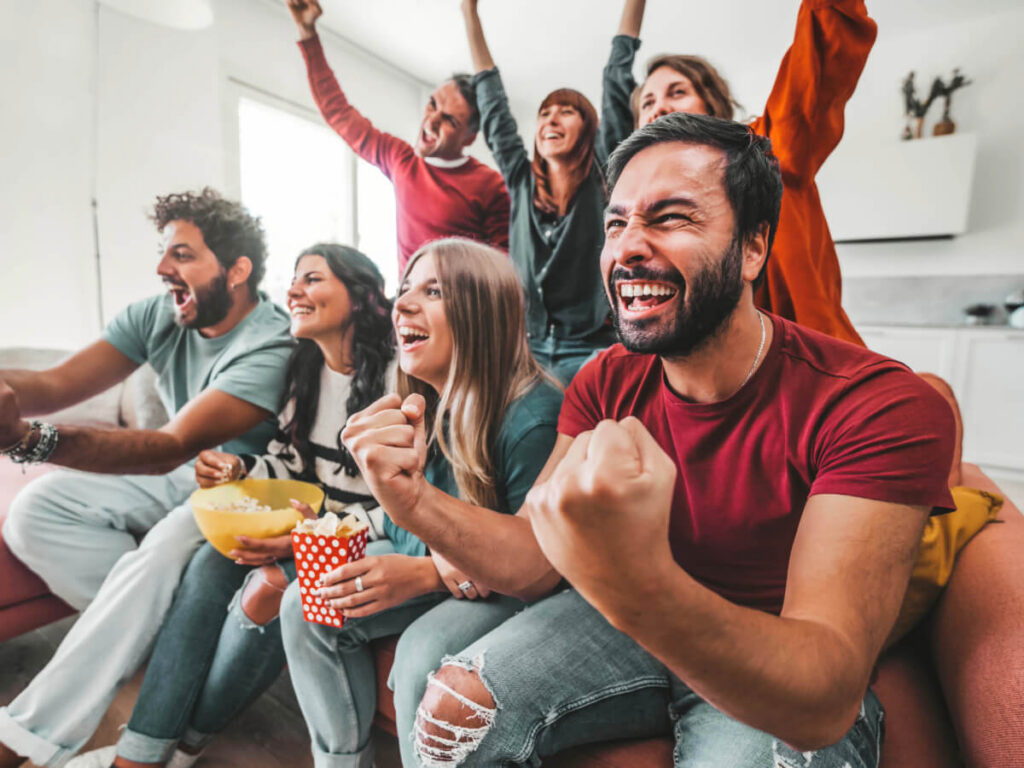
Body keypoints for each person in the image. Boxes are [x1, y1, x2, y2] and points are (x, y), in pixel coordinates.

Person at [343, 114, 956, 767]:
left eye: (671, 219)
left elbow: (823, 697)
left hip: (768, 648)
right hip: (621, 626)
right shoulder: (607, 378)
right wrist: (408, 499)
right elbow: (531, 560)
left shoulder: (876, 404)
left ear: (753, 248)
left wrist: (638, 581)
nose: (628, 247)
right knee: (449, 714)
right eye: (616, 224)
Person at [64, 244, 395, 768]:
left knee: (270, 586)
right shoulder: (305, 368)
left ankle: (184, 745)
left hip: (363, 538)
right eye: (294, 280)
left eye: (312, 279)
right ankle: (142, 751)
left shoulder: (399, 378)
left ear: (359, 296)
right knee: (205, 564)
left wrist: (311, 537)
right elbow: (293, 463)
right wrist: (242, 472)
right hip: (309, 523)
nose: (294, 291)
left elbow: (407, 503)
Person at [0, 188, 293, 768]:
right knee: (36, 510)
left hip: (242, 488)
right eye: (164, 253)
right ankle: (169, 651)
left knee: (158, 556)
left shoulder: (271, 343)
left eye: (182, 255)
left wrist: (28, 439)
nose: (162, 269)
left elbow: (169, 446)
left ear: (237, 270)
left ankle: (23, 738)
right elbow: (58, 385)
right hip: (183, 473)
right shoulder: (159, 315)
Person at [283, 238, 563, 768]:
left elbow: (540, 569)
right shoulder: (423, 402)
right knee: (304, 603)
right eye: (405, 288)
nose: (402, 304)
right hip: (450, 573)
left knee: (420, 657)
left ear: (483, 310)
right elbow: (406, 520)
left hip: (517, 595)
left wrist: (426, 574)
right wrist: (425, 557)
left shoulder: (533, 421)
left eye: (432, 291)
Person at [626, 0, 875, 345]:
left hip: (809, 366)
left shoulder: (767, 151)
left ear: (712, 104)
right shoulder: (640, 203)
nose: (659, 108)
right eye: (647, 103)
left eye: (678, 92)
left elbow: (824, 50)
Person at [459, 0, 642, 383]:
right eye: (544, 112)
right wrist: (469, 12)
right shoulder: (521, 181)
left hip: (593, 350)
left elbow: (616, 76)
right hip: (525, 350)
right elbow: (492, 104)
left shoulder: (604, 177)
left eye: (566, 111)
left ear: (589, 129)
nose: (551, 119)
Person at [286, 0, 510, 274]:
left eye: (449, 120)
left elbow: (503, 267)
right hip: (407, 306)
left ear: (469, 138)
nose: (431, 120)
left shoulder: (490, 185)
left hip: (460, 311)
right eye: (432, 104)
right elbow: (339, 114)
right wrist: (308, 33)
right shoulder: (401, 160)